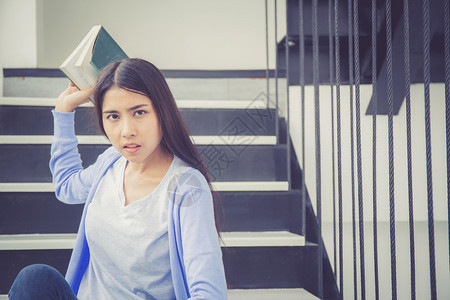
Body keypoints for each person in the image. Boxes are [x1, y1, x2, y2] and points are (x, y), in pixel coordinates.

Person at [9, 58, 227, 299]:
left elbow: (209, 292)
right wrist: (63, 111)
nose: (127, 131)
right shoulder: (111, 161)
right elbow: (66, 187)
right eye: (113, 116)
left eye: (139, 112)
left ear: (162, 112)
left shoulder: (187, 187)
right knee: (35, 278)